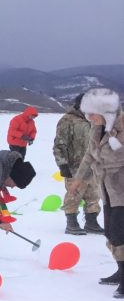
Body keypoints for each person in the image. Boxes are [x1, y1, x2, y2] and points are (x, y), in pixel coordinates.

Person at [68, 88, 124, 298]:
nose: (89, 117)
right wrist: (78, 179)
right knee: (111, 232)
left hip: (122, 189)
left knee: (120, 233)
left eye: (92, 113)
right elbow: (90, 156)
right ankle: (121, 270)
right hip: (108, 190)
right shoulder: (96, 128)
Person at [53, 93, 103, 235]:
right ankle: (72, 223)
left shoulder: (94, 120)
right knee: (74, 194)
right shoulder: (67, 120)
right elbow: (59, 145)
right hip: (75, 167)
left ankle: (91, 222)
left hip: (93, 166)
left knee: (94, 195)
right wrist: (62, 165)